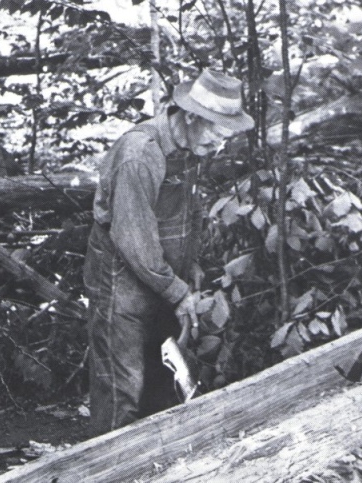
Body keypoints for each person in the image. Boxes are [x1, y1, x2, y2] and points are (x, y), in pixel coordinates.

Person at [83, 69, 254, 435]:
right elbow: (134, 239)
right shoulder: (139, 154)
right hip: (122, 282)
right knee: (122, 388)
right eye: (217, 135)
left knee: (162, 382)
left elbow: (189, 212)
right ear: (191, 116)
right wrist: (177, 292)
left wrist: (190, 265)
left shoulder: (190, 148)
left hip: (162, 278)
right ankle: (111, 462)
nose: (219, 147)